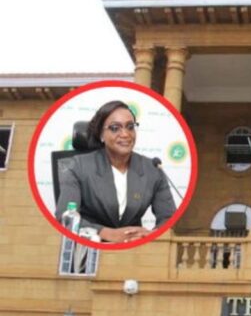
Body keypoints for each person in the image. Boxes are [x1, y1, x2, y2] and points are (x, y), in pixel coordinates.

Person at [55, 101, 177, 243]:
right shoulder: (78, 166)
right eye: (115, 128)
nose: (125, 134)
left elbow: (169, 218)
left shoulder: (153, 169)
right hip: (89, 247)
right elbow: (64, 217)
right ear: (101, 134)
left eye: (130, 127)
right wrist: (106, 233)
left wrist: (150, 235)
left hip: (134, 250)